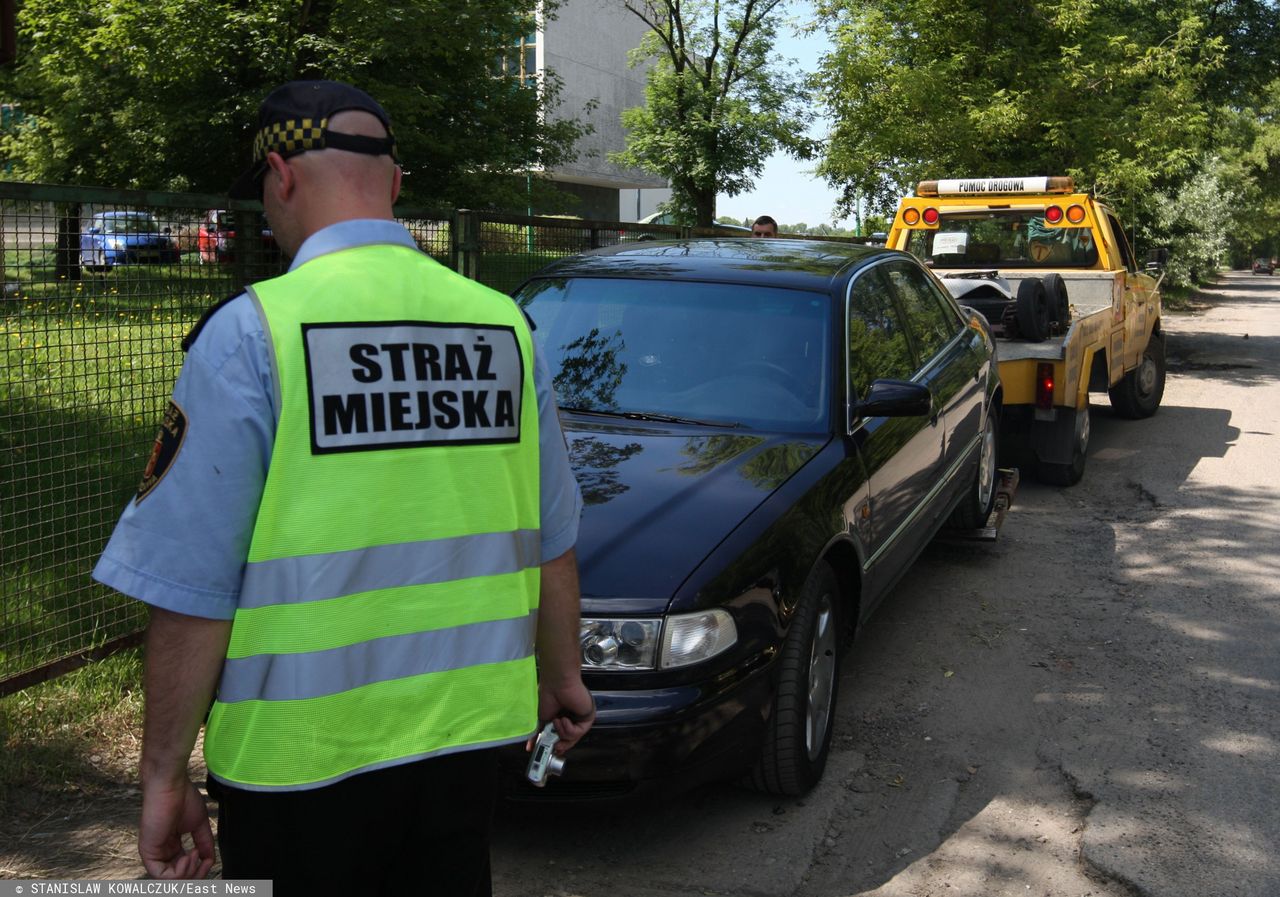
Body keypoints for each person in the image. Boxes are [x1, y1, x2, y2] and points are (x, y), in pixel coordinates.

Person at [93, 80, 594, 892]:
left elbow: (190, 585)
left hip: (300, 766)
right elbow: (551, 537)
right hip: (468, 746)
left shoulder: (252, 333)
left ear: (280, 177)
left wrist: (162, 774)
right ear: (395, 185)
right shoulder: (504, 326)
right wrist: (563, 673)